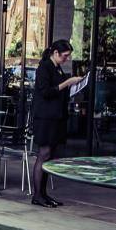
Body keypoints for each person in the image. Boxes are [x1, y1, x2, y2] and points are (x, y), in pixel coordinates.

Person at [30, 39, 82, 208]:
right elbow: (45, 92)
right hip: (45, 118)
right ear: (55, 53)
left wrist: (72, 87)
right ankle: (37, 195)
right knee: (43, 153)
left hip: (55, 117)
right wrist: (67, 83)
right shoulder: (44, 67)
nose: (66, 59)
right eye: (65, 56)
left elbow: (57, 91)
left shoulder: (57, 68)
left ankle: (43, 193)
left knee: (49, 155)